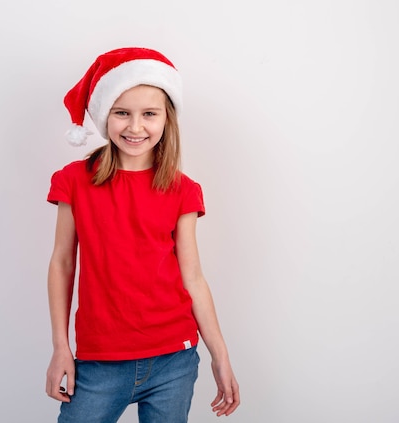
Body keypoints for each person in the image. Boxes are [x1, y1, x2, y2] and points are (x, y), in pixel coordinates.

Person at [45, 47, 240, 422]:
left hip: (174, 360)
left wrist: (221, 355)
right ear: (105, 116)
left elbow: (193, 278)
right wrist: (60, 347)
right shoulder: (73, 181)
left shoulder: (183, 190)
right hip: (100, 362)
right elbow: (62, 262)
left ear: (167, 119)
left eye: (149, 114)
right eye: (122, 113)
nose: (135, 127)